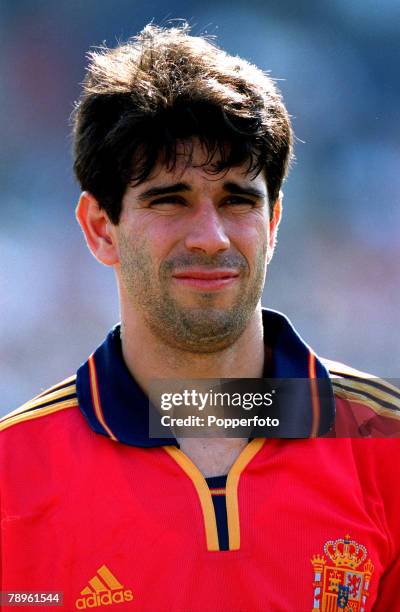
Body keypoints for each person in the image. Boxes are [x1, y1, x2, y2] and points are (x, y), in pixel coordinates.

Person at [1, 23, 399, 612]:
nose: (211, 238)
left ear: (274, 223)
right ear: (100, 228)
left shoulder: (385, 447)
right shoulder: (14, 476)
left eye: (238, 199)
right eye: (170, 199)